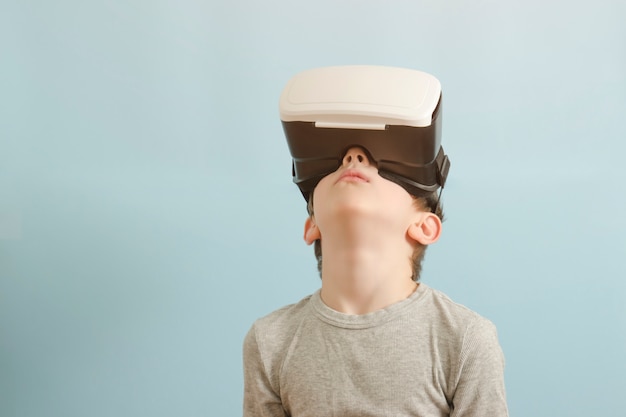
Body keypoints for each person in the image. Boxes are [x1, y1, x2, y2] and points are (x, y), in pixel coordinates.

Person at [243, 67, 508, 417]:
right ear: (312, 226)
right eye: (335, 163)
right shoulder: (270, 341)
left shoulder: (464, 340)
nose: (353, 156)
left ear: (424, 227)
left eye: (380, 165)